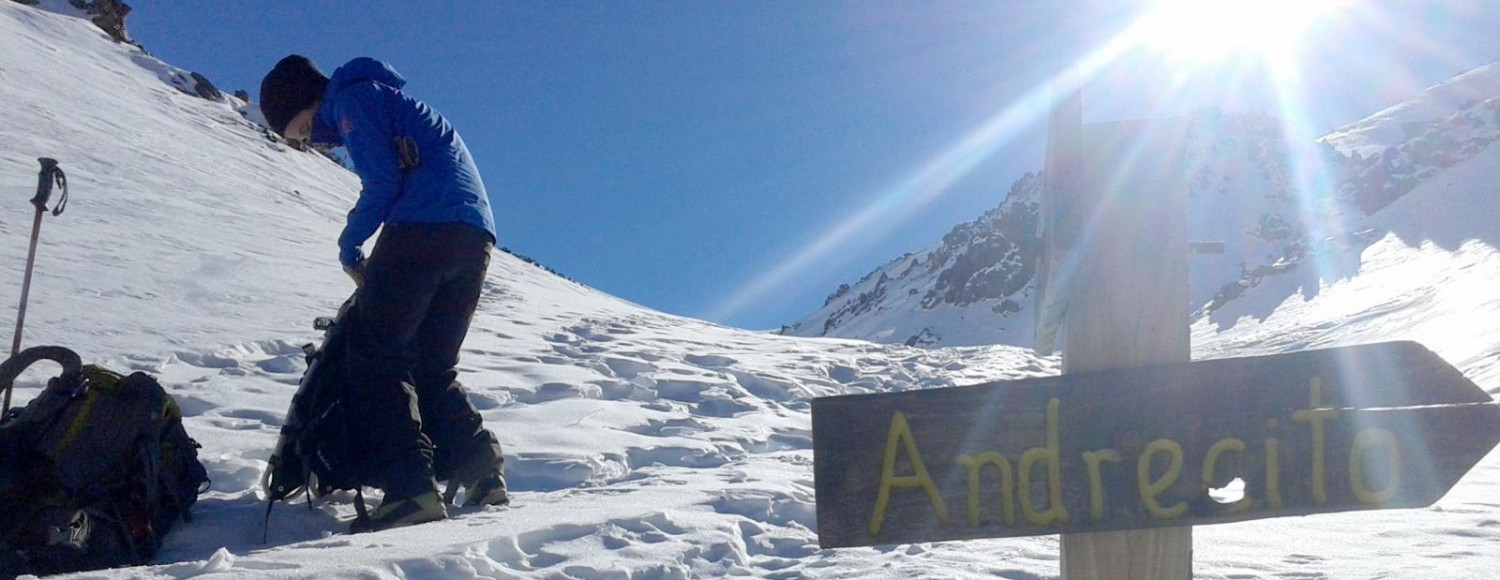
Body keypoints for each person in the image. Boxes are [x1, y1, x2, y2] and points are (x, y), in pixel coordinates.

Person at [259, 55, 507, 532]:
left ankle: (410, 487)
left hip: (421, 227)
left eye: (304, 129)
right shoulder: (382, 99)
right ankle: (481, 472)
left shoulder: (351, 100)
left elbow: (383, 182)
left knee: (374, 358)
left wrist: (349, 247)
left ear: (309, 100)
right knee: (432, 365)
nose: (312, 141)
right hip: (474, 236)